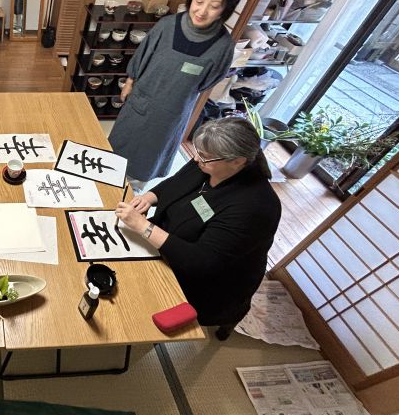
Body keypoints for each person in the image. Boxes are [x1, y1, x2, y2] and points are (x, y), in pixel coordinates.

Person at [114, 117, 281, 339]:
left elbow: (201, 261)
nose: (196, 159)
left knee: (134, 306)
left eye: (204, 157)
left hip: (208, 282)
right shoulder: (208, 159)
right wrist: (149, 197)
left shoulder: (254, 207)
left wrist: (143, 226)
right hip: (172, 236)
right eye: (197, 152)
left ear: (238, 161)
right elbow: (177, 182)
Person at [108, 0, 244, 187]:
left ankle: (134, 191)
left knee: (147, 162)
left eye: (214, 6)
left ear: (226, 9)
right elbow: (143, 55)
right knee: (116, 152)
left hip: (172, 115)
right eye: (199, 1)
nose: (202, 11)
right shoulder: (167, 26)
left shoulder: (223, 46)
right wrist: (130, 81)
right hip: (141, 101)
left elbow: (208, 82)